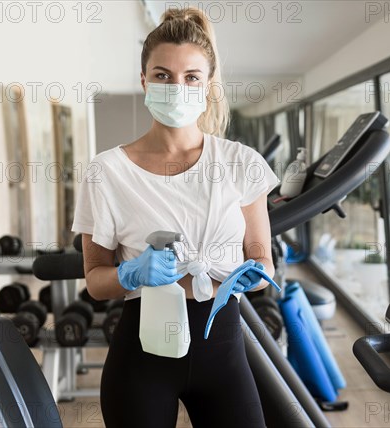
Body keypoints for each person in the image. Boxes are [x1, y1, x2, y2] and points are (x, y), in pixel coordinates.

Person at [71, 7, 279, 428]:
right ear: (145, 80)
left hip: (222, 348)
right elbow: (95, 281)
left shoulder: (241, 162)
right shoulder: (106, 171)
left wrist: (251, 275)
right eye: (163, 75)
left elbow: (263, 262)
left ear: (207, 85)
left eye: (191, 77)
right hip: (142, 356)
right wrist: (130, 273)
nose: (177, 87)